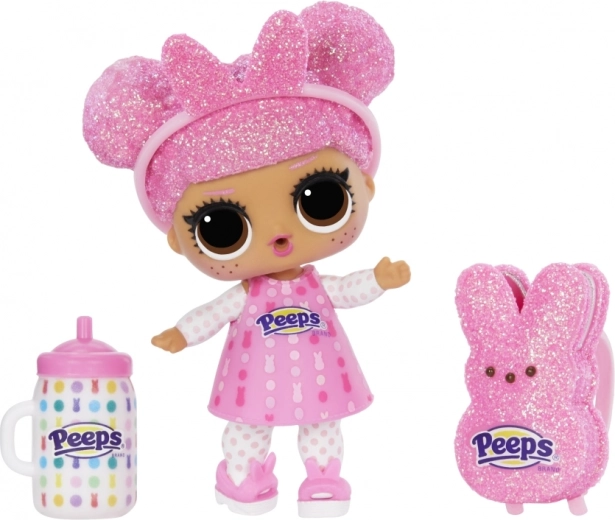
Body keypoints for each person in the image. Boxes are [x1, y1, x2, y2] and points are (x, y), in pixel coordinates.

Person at [83, 2, 409, 516]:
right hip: (253, 377)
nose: (279, 236)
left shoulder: (314, 286)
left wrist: (379, 279)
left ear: (365, 185)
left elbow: (345, 289)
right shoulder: (246, 293)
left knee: (322, 425)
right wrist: (182, 333)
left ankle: (323, 479)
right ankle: (242, 477)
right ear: (177, 239)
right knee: (248, 429)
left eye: (320, 199)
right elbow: (215, 313)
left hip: (319, 372)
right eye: (222, 227)